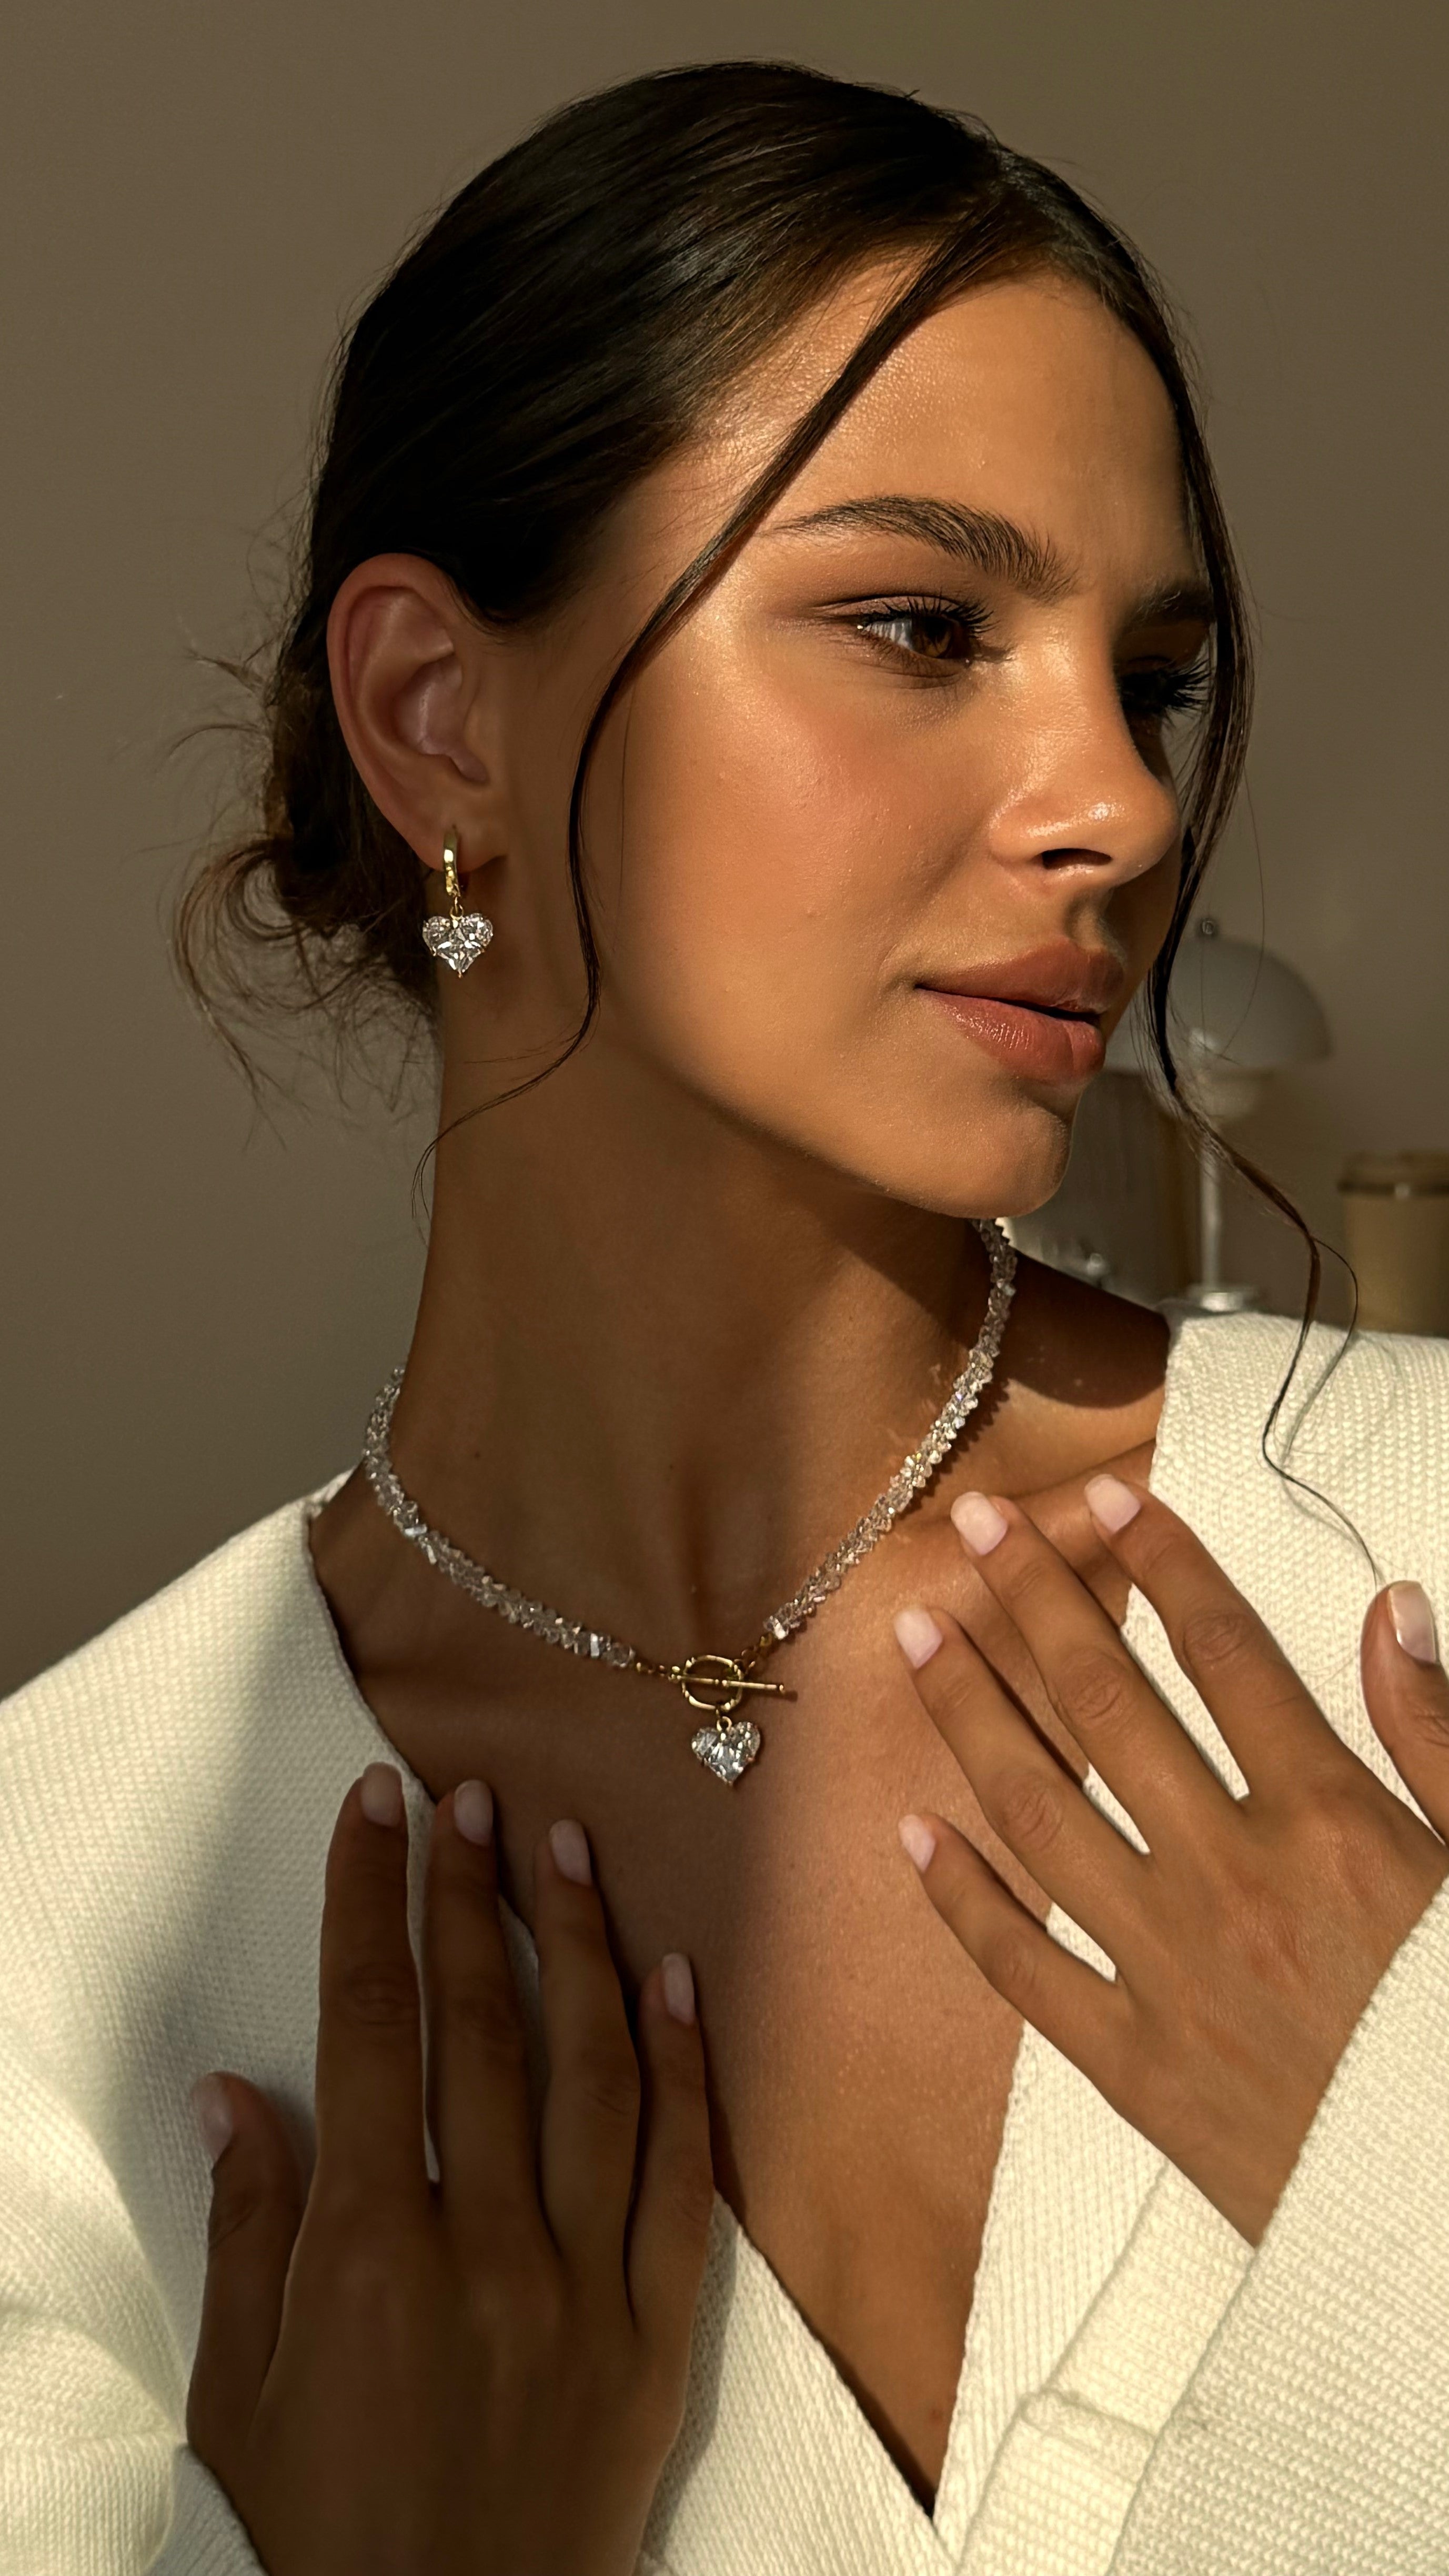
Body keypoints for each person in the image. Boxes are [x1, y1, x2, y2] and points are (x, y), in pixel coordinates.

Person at [2, 57, 1447, 2576]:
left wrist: (1409, 2170)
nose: (1110, 800)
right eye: (922, 626)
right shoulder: (54, 1926)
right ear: (442, 719)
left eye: (1156, 675)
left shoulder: (1408, 1555)